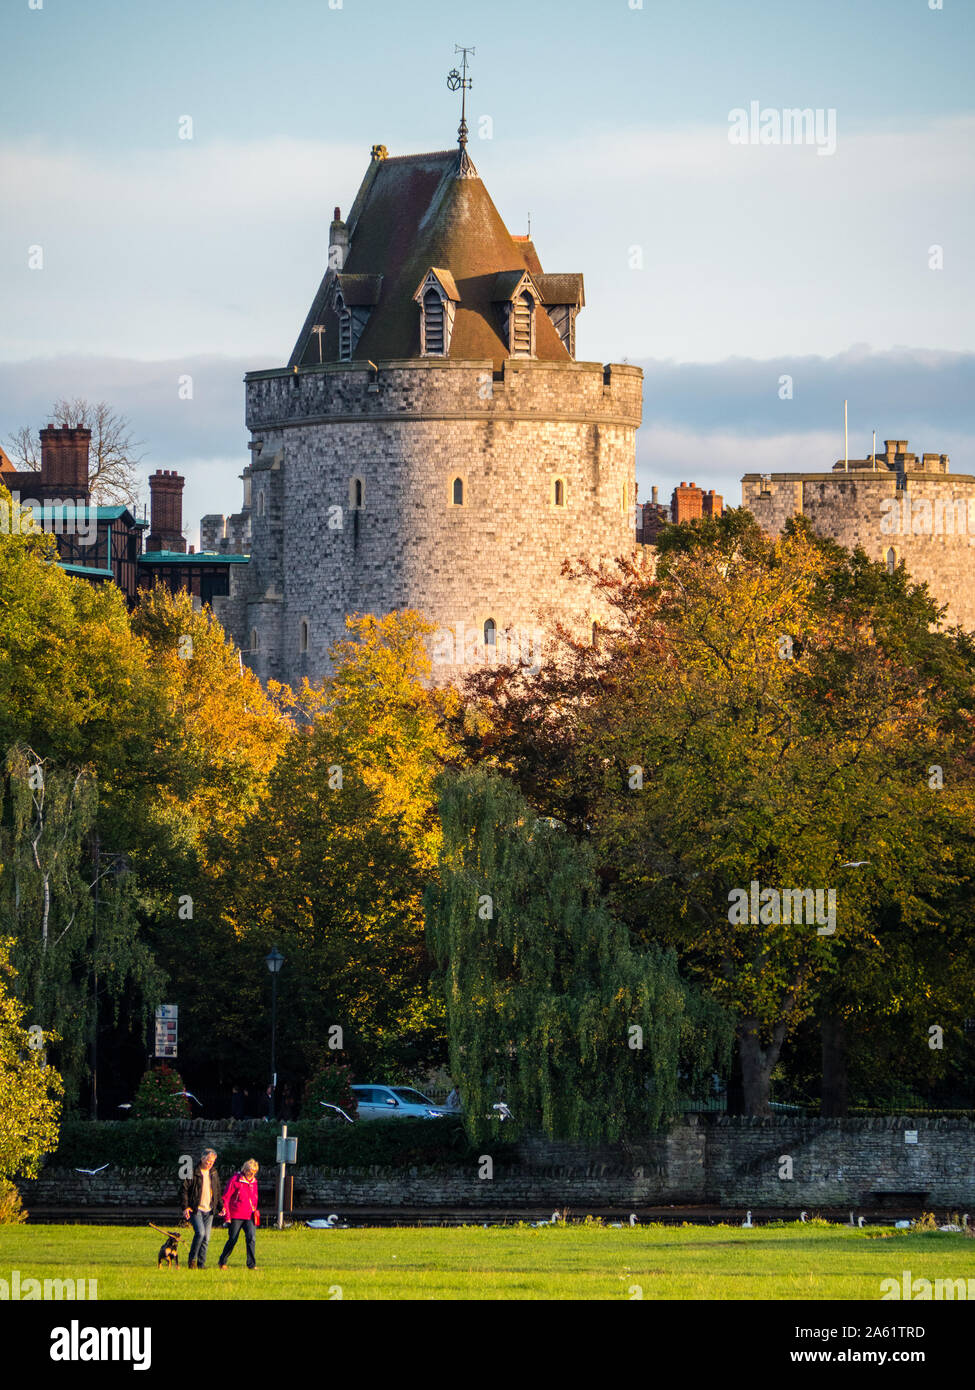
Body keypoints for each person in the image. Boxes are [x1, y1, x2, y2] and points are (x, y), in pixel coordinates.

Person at [179, 1148, 224, 1270]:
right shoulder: (192, 1172)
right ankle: (192, 1260)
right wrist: (185, 1207)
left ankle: (201, 1264)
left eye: (212, 1161)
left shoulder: (213, 1173)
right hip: (195, 1209)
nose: (209, 1163)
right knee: (200, 1233)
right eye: (208, 1160)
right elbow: (184, 1190)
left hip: (209, 1210)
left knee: (206, 1238)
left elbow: (217, 1191)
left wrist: (221, 1206)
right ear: (202, 1158)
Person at [218, 1159, 261, 1270]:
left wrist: (254, 1210)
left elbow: (254, 1197)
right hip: (236, 1214)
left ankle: (251, 1264)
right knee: (233, 1239)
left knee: (251, 1238)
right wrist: (227, 1216)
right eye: (249, 1171)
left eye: (253, 1172)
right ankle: (222, 1261)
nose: (251, 1174)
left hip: (249, 1215)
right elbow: (226, 1198)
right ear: (244, 1169)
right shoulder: (235, 1180)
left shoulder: (254, 1182)